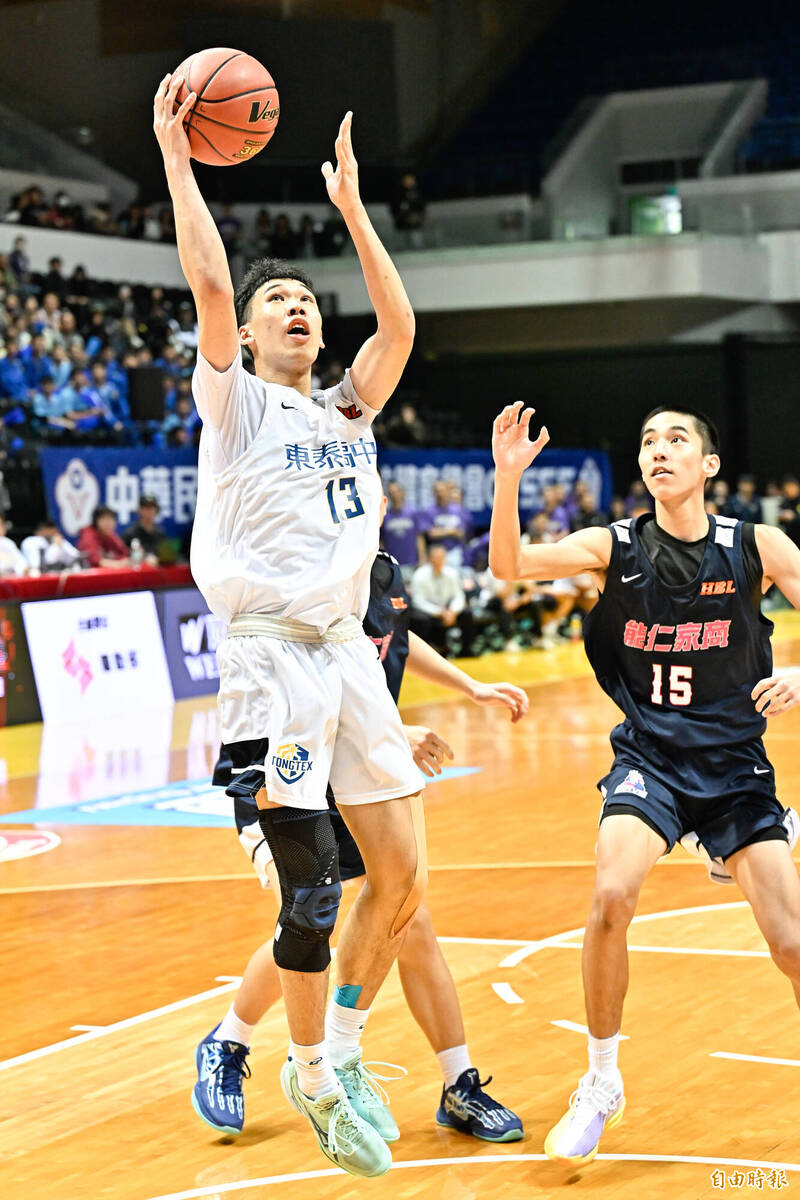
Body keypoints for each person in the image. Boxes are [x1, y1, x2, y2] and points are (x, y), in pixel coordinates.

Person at [154, 74, 423, 1180]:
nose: (297, 310)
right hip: (269, 657)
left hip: (347, 653)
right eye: (280, 305)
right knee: (313, 882)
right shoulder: (239, 399)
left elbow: (399, 326)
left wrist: (355, 213)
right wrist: (178, 156)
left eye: (307, 301)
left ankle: (341, 1049)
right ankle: (304, 1070)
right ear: (251, 336)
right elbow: (211, 280)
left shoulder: (344, 407)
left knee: (400, 873)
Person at [490, 400, 800, 1166]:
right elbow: (509, 567)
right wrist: (506, 482)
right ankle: (600, 1083)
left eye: (676, 440)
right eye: (648, 441)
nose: (659, 451)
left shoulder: (757, 545)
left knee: (792, 942)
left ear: (709, 466)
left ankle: (737, 839)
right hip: (651, 761)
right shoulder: (613, 545)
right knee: (609, 895)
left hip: (733, 769)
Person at [194, 541, 527, 1142]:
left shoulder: (377, 566)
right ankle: (229, 1043)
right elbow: (299, 675)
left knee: (407, 914)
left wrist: (470, 687)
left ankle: (459, 1084)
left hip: (350, 767)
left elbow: (394, 637)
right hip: (287, 761)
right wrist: (400, 727)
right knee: (319, 907)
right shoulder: (297, 570)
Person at [411, 544, 476, 656]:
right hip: (429, 612)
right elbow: (418, 601)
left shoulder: (452, 573)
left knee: (467, 613)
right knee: (420, 620)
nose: (439, 560)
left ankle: (466, 650)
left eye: (442, 557)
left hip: (448, 610)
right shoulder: (419, 575)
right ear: (430, 559)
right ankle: (424, 654)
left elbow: (459, 596)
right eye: (436, 557)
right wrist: (439, 612)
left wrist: (452, 611)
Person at [122, 495, 166, 565]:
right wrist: (143, 559)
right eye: (146, 507)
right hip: (138, 572)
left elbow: (165, 555)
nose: (149, 511)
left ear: (156, 510)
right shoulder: (130, 533)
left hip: (158, 572)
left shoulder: (160, 532)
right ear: (139, 510)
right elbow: (123, 556)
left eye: (152, 507)